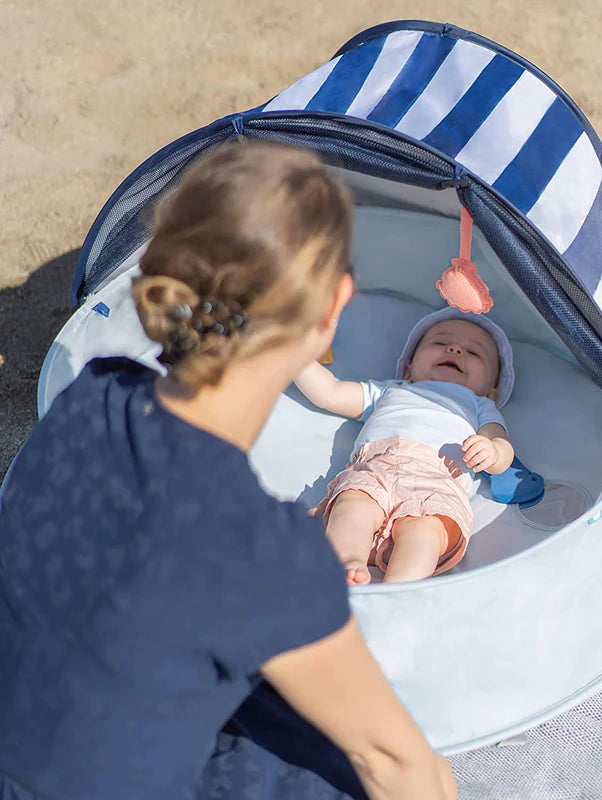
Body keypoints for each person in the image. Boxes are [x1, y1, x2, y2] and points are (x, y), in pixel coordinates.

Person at [0, 141, 456, 800]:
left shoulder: (90, 399)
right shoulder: (263, 550)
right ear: (334, 305)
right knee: (346, 764)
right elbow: (403, 768)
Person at [294, 307, 516, 585]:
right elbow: (330, 393)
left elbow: (501, 445)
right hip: (377, 470)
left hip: (437, 483)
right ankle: (348, 562)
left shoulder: (480, 405)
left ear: (492, 391)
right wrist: (295, 356)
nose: (455, 349)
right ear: (408, 369)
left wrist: (493, 452)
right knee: (353, 504)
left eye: (474, 352)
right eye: (439, 342)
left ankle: (400, 587)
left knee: (424, 531)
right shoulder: (392, 390)